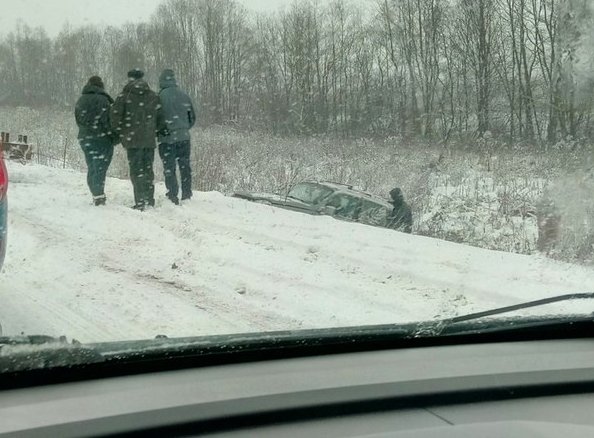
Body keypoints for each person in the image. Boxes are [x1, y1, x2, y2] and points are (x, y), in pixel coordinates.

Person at [111, 69, 163, 211]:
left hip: (132, 140)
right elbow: (161, 118)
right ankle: (149, 200)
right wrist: (154, 132)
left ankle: (140, 201)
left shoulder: (124, 96)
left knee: (136, 170)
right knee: (148, 169)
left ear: (129, 78)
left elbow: (115, 118)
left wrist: (122, 133)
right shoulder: (153, 96)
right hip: (149, 140)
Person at [74, 76, 116, 206]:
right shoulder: (104, 101)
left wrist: (86, 131)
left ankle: (95, 192)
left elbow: (78, 120)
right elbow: (108, 121)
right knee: (100, 166)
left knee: (92, 165)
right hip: (101, 138)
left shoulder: (81, 100)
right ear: (101, 86)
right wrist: (113, 137)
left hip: (85, 138)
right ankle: (98, 195)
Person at [157, 69, 196, 205]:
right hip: (184, 138)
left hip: (167, 139)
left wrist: (162, 131)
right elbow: (192, 118)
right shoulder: (184, 95)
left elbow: (156, 119)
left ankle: (173, 194)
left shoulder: (159, 97)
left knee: (170, 168)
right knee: (185, 166)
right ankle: (186, 194)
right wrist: (183, 128)